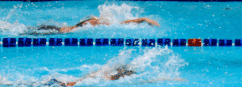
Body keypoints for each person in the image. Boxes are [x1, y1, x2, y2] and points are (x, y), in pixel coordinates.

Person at [0, 64, 135, 87]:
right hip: (57, 85)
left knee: (12, 84)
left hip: (57, 83)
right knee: (10, 85)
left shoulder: (100, 75)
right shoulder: (102, 79)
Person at [25, 16, 159, 35]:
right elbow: (122, 23)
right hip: (55, 31)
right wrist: (142, 19)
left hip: (56, 29)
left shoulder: (95, 22)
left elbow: (121, 23)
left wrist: (142, 19)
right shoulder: (93, 22)